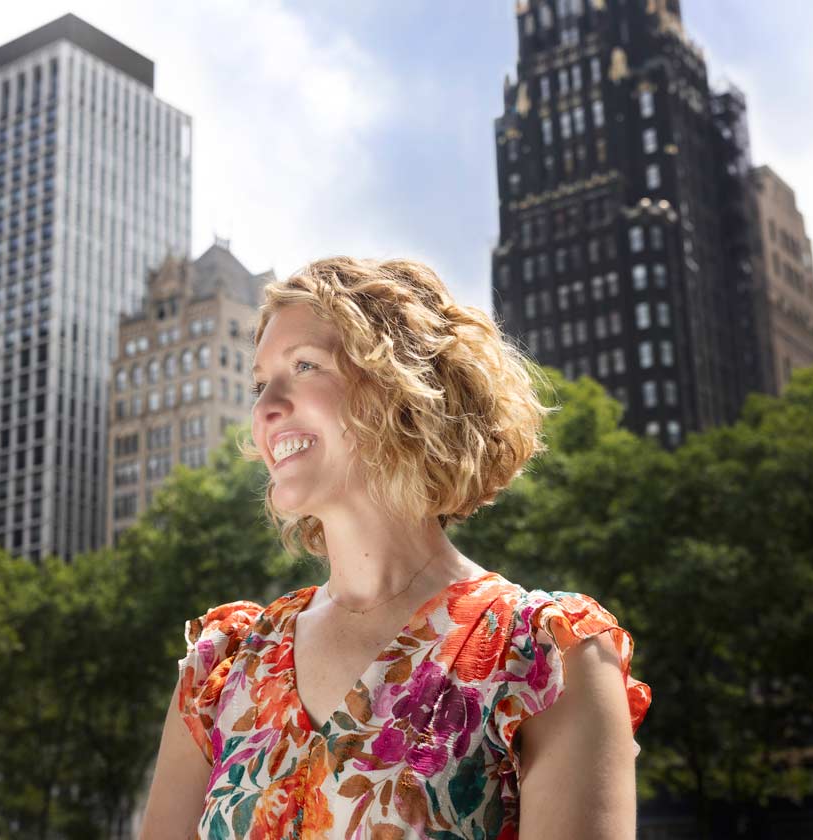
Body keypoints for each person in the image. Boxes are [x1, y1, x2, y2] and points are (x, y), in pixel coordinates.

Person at [139, 257, 651, 839]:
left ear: (403, 391)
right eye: (259, 385)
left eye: (304, 366)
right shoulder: (223, 665)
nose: (264, 407)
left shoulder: (546, 656)